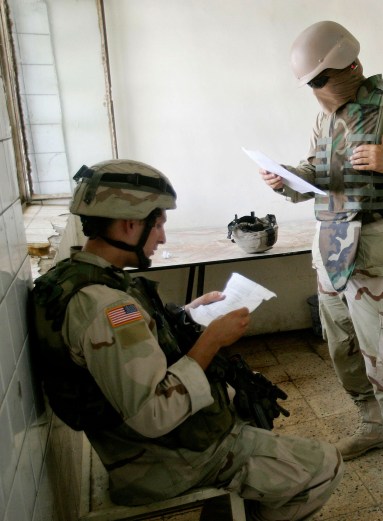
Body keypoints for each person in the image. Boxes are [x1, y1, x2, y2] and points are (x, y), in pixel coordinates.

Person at [31, 160, 344, 520]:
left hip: (137, 447)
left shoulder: (78, 277)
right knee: (327, 465)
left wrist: (189, 312)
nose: (161, 237)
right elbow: (154, 413)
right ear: (130, 224)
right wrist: (212, 340)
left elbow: (133, 343)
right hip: (161, 462)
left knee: (248, 406)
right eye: (158, 224)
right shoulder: (106, 307)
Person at [259, 21, 383, 503]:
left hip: (376, 255)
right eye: (311, 85)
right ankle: (373, 426)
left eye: (322, 81)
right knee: (343, 349)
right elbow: (318, 170)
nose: (318, 92)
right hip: (330, 252)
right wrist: (286, 179)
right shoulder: (327, 117)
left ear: (351, 66)